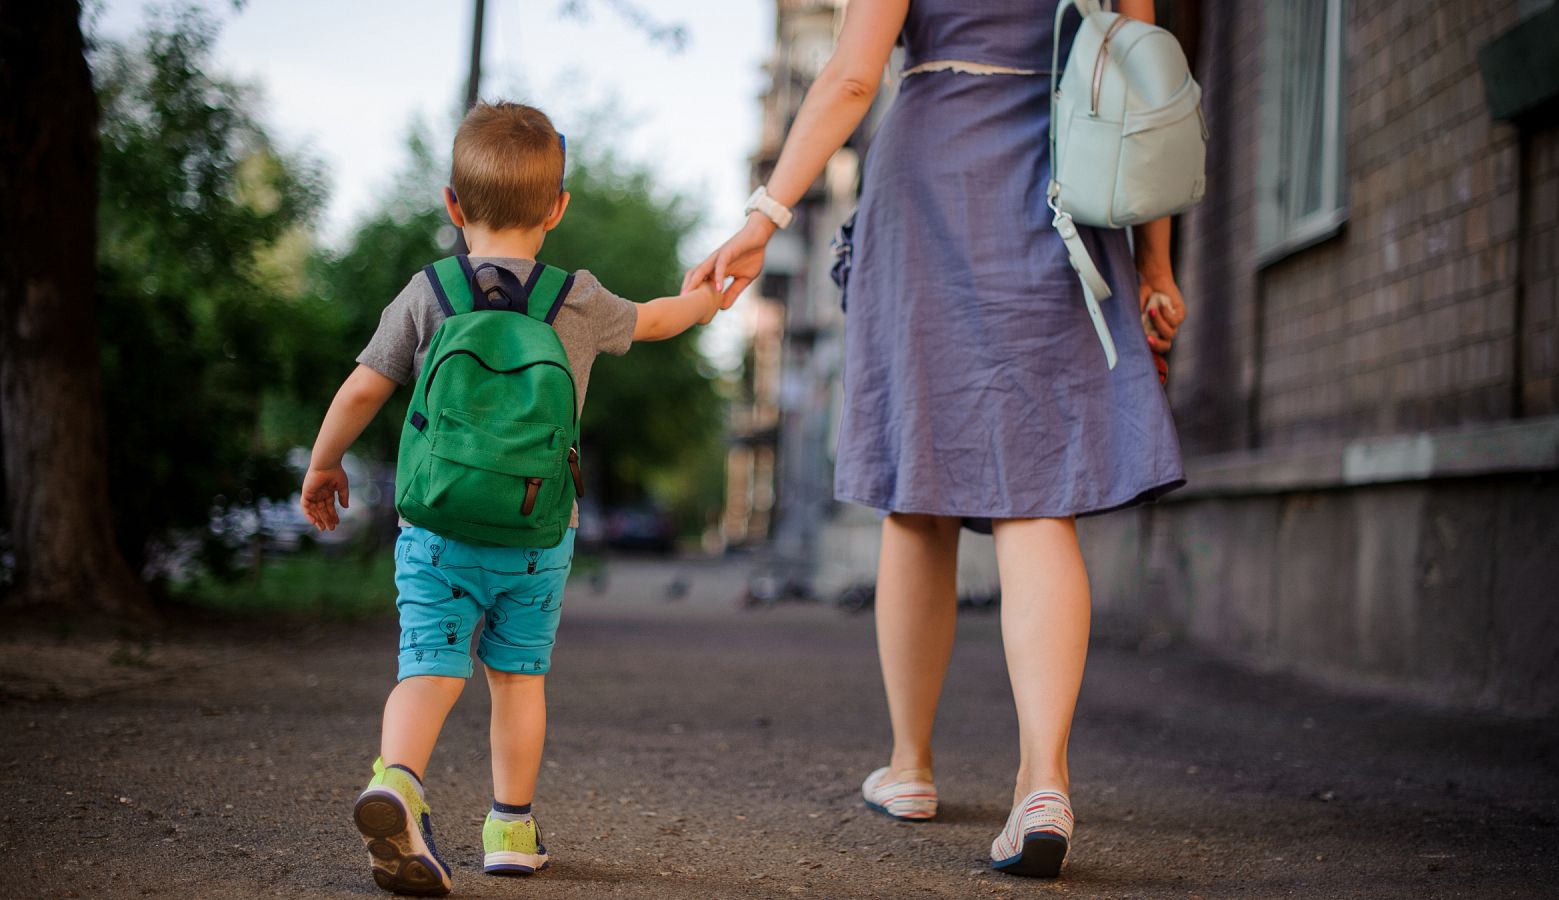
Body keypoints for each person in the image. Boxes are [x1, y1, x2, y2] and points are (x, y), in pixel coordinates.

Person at [687, 0, 1187, 879]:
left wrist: (765, 215)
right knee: (1038, 493)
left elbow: (852, 77)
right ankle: (1043, 784)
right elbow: (1142, 69)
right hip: (1065, 184)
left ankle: (910, 766)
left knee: (917, 489)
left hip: (930, 184)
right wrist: (1155, 264)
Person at [300, 101, 720, 897]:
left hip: (435, 529)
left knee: (429, 668)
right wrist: (708, 298)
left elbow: (362, 389)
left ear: (452, 204)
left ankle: (398, 784)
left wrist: (324, 466)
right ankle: (511, 831)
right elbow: (660, 321)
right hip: (536, 534)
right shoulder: (577, 298)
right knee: (518, 679)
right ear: (558, 209)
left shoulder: (428, 293)